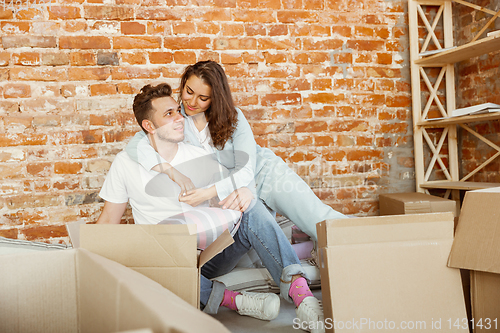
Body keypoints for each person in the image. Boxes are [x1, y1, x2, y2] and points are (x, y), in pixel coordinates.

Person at [97, 83, 325, 333]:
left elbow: (227, 200)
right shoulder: (125, 163)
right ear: (149, 126)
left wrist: (241, 194)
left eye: (177, 111)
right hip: (166, 260)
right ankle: (237, 301)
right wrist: (90, 261)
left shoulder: (199, 154)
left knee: (251, 207)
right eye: (168, 114)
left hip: (209, 254)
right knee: (143, 269)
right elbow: (109, 220)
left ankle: (304, 298)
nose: (179, 118)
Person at [125, 60, 348, 243]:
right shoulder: (173, 118)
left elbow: (247, 167)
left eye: (203, 98)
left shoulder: (233, 116)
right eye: (188, 91)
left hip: (262, 174)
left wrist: (215, 192)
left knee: (319, 220)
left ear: (215, 97)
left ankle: (367, 239)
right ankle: (298, 236)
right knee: (252, 245)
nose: (192, 102)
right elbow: (136, 147)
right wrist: (171, 171)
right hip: (226, 189)